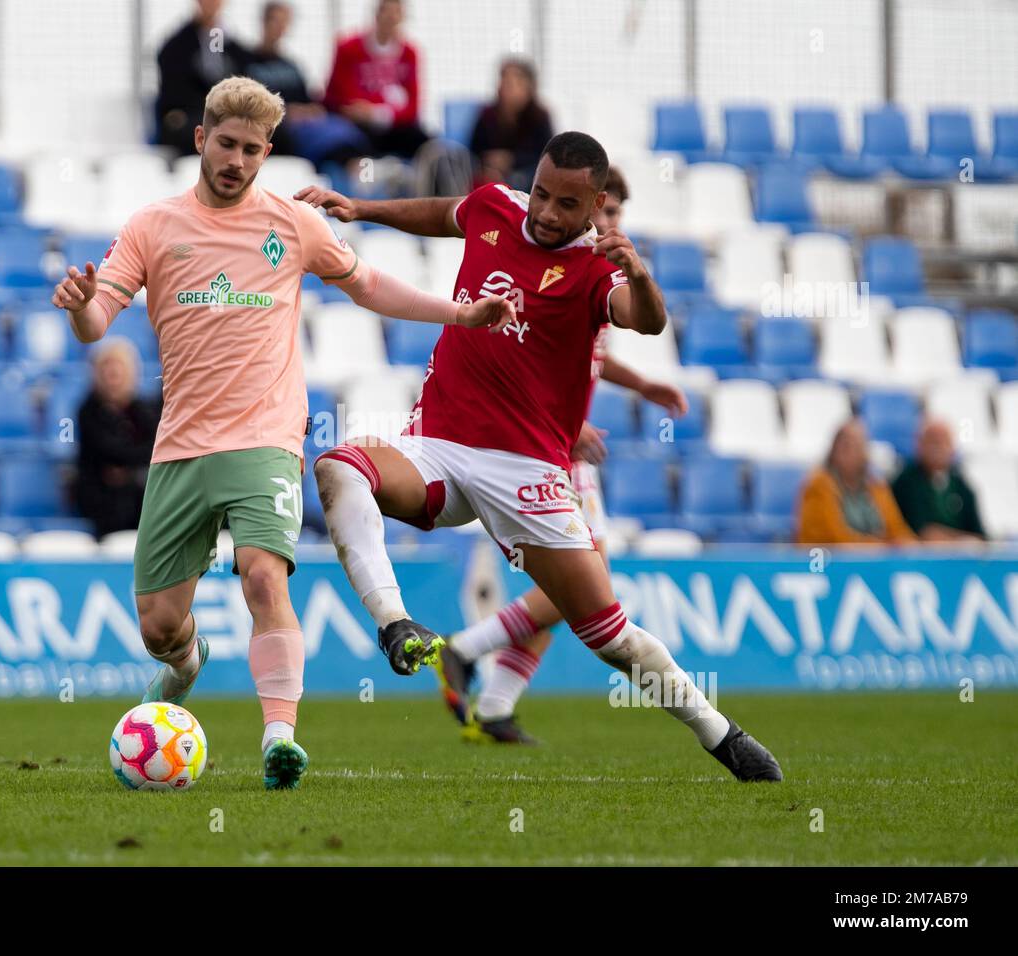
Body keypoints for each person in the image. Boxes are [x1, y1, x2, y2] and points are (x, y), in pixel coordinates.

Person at [51, 76, 514, 790]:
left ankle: (279, 741)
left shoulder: (292, 225)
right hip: (179, 448)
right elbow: (96, 320)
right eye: (226, 144)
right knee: (158, 627)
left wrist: (459, 314)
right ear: (202, 140)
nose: (237, 160)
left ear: (268, 152)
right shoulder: (152, 226)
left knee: (265, 577)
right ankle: (186, 663)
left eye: (252, 150)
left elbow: (370, 286)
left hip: (266, 438)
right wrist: (81, 308)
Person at [297, 133, 783, 782]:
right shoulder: (496, 207)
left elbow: (646, 322)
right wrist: (361, 207)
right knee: (338, 465)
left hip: (527, 471)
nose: (549, 213)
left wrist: (639, 273)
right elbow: (446, 214)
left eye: (568, 204)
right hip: (437, 447)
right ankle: (396, 625)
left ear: (597, 205)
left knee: (611, 637)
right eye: (543, 194)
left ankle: (719, 734)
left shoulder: (595, 270)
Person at [432, 166, 690, 745]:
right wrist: (566, 430)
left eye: (618, 214)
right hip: (543, 453)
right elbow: (525, 359)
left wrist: (643, 385)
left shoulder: (601, 273)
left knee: (566, 590)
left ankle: (495, 706)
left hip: (555, 446)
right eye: (604, 212)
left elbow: (594, 355)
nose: (609, 223)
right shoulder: (562, 267)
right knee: (581, 584)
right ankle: (467, 650)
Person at [244, 1, 371, 165]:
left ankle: (363, 171)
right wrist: (286, 111)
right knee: (331, 147)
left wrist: (312, 109)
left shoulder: (291, 65)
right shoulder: (246, 62)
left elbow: (308, 99)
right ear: (264, 21)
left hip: (308, 123)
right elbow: (247, 103)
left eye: (285, 22)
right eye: (276, 21)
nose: (280, 27)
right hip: (281, 126)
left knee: (349, 133)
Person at [75, 337, 162, 539]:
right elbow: (109, 451)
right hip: (103, 498)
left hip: (139, 492)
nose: (113, 375)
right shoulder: (88, 411)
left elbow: (158, 446)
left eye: (119, 368)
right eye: (107, 368)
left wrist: (128, 471)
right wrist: (136, 462)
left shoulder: (142, 409)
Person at [322, 0, 428, 160]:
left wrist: (379, 112)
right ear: (377, 14)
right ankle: (367, 180)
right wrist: (381, 106)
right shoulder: (348, 47)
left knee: (426, 144)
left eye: (396, 13)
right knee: (353, 148)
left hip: (395, 125)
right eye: (387, 12)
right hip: (357, 127)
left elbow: (413, 107)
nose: (391, 18)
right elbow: (339, 96)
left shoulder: (409, 53)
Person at [796, 419, 916, 546]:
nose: (851, 450)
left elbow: (897, 529)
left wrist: (909, 544)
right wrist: (878, 546)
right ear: (833, 449)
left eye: (858, 445)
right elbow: (834, 540)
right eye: (845, 445)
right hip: (830, 562)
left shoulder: (876, 485)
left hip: (879, 559)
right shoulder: (817, 485)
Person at [153, 0, 250, 156]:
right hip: (190, 114)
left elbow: (223, 72)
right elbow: (175, 90)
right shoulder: (179, 44)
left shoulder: (221, 39)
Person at [891, 419, 986, 542]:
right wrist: (962, 542)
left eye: (943, 442)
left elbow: (979, 535)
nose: (937, 448)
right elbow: (921, 531)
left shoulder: (961, 485)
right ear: (919, 445)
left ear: (952, 448)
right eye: (932, 441)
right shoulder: (905, 482)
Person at [469, 59, 554, 193]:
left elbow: (546, 155)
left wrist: (511, 160)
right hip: (489, 175)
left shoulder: (539, 116)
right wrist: (488, 163)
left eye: (511, 84)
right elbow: (474, 150)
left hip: (525, 178)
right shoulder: (487, 115)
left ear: (527, 87)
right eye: (503, 80)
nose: (504, 87)